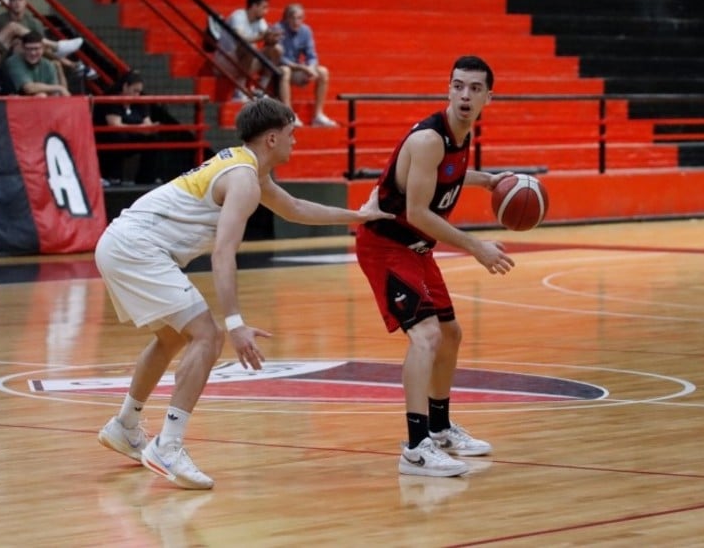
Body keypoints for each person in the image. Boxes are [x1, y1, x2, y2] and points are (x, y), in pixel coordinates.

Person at [95, 97, 394, 490]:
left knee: (170, 337)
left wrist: (357, 216)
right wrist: (235, 323)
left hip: (120, 242)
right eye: (291, 135)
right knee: (208, 336)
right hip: (137, 248)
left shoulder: (246, 167)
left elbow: (294, 207)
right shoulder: (243, 179)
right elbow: (223, 254)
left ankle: (126, 425)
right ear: (272, 138)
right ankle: (168, 444)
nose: (295, 142)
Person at [354, 55, 516, 478]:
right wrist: (476, 247)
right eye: (458, 86)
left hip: (416, 248)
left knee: (450, 333)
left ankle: (441, 429)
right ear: (448, 88)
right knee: (425, 335)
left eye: (475, 89)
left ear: (488, 97)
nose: (465, 95)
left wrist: (488, 180)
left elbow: (450, 172)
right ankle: (415, 447)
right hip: (386, 245)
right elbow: (419, 211)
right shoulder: (429, 138)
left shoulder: (460, 137)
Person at [93, 69, 159, 185]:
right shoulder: (112, 99)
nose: (137, 95)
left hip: (133, 135)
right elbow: (114, 124)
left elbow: (147, 122)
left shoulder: (141, 102)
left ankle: (146, 179)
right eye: (134, 91)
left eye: (139, 92)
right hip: (110, 137)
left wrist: (150, 128)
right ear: (125, 87)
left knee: (153, 139)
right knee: (119, 136)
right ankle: (113, 177)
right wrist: (139, 128)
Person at [214, 0, 282, 102]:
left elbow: (265, 38)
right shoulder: (238, 16)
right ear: (254, 6)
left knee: (276, 50)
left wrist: (272, 39)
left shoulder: (261, 22)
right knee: (248, 48)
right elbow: (241, 39)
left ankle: (261, 90)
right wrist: (262, 37)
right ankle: (239, 91)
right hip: (225, 61)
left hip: (244, 63)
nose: (266, 11)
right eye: (264, 7)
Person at [276, 3, 336, 127]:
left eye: (299, 18)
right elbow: (279, 58)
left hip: (298, 67)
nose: (296, 22)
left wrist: (311, 67)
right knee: (285, 70)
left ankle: (318, 115)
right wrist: (302, 67)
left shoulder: (305, 30)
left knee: (323, 71)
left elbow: (312, 55)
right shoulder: (278, 29)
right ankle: (288, 114)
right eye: (293, 18)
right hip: (279, 67)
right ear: (286, 18)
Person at [0, 0, 83, 60]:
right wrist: (11, 42)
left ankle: (72, 64)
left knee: (52, 61)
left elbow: (42, 46)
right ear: (9, 2)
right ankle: (58, 47)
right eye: (13, 0)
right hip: (1, 56)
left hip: (30, 55)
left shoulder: (33, 22)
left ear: (25, 2)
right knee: (14, 30)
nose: (17, 3)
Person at [4, 30, 70, 96]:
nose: (33, 53)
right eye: (29, 49)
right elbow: (28, 88)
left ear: (43, 48)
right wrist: (59, 88)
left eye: (36, 48)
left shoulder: (48, 65)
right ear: (23, 48)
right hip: (15, 102)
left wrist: (59, 70)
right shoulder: (14, 61)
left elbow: (58, 94)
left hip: (45, 102)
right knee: (41, 95)